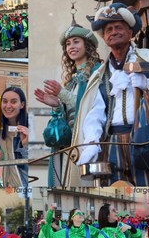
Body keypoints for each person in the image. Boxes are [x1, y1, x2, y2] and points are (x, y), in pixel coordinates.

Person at [67, 2, 149, 187]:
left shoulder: (148, 59)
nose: (113, 32)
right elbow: (96, 112)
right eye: (109, 30)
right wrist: (91, 141)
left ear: (130, 32)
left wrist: (148, 84)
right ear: (105, 38)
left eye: (119, 27)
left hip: (142, 138)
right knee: (113, 187)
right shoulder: (100, 74)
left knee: (146, 185)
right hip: (111, 141)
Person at [34, 25, 102, 187]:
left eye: (76, 42)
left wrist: (62, 94)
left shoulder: (98, 73)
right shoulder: (72, 81)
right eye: (68, 44)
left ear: (87, 45)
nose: (71, 47)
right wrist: (56, 105)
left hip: (85, 142)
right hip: (68, 145)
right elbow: (70, 111)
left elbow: (91, 107)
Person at [0, 86, 29, 187]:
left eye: (13, 102)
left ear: (22, 105)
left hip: (26, 185)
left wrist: (25, 146)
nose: (8, 106)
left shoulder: (30, 128)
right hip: (7, 186)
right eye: (5, 101)